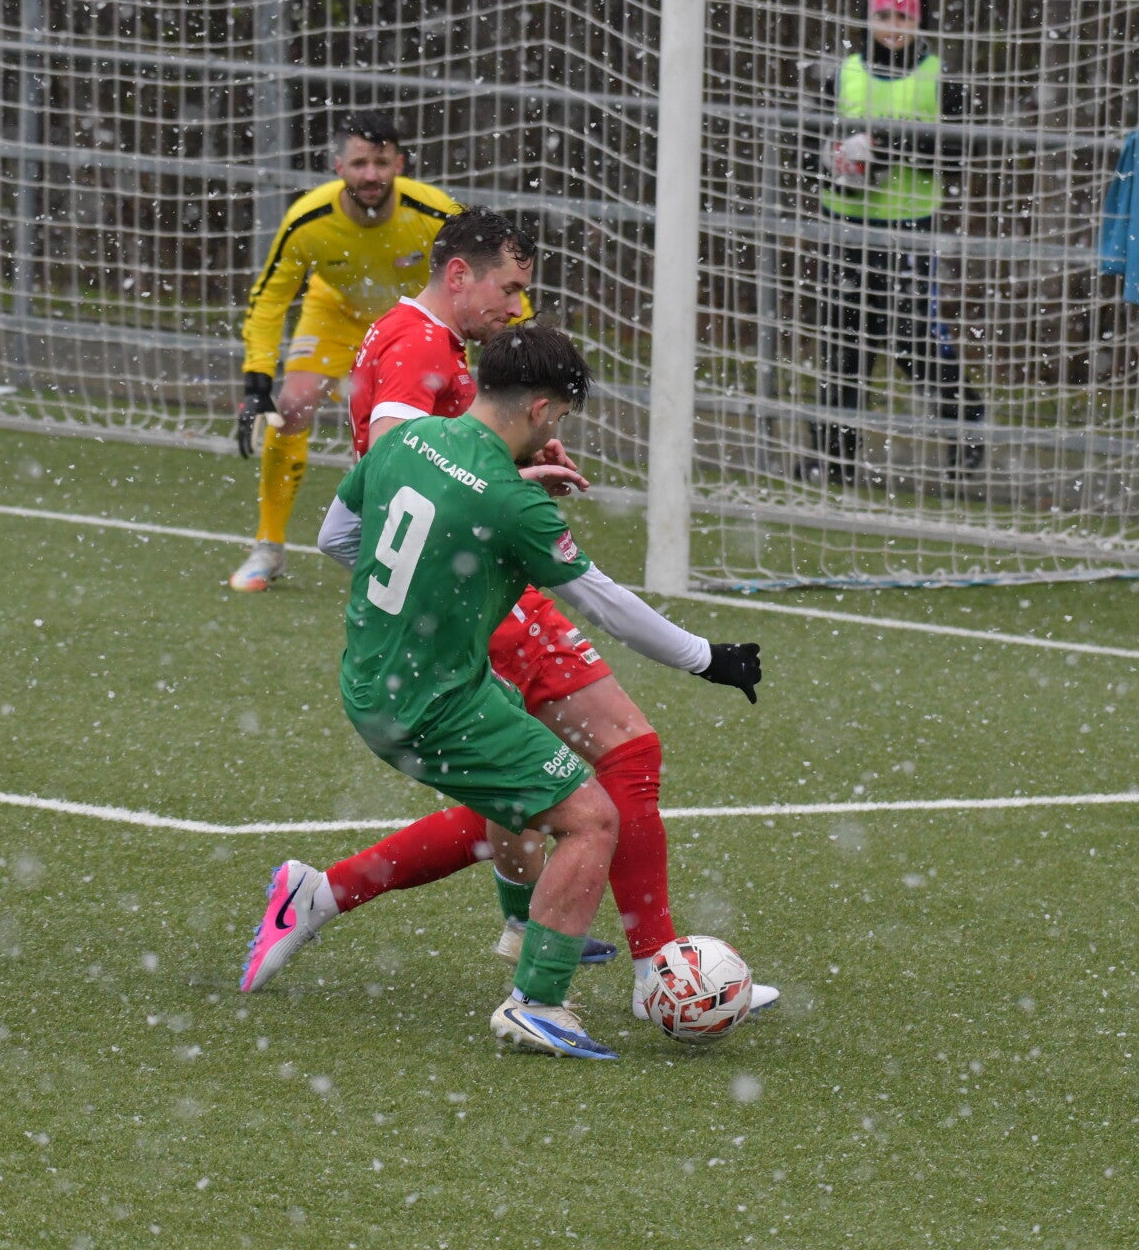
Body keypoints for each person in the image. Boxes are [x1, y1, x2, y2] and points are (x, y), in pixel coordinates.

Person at [239, 210, 775, 1026]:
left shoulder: (420, 349)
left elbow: (389, 495)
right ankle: (649, 972)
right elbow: (437, 496)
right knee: (616, 763)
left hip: (436, 607)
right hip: (478, 592)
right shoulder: (424, 351)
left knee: (521, 792)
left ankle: (422, 907)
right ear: (459, 274)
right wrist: (707, 656)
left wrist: (501, 482)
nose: (518, 308)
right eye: (512, 288)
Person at [227, 110, 463, 592]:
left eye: (381, 162)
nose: (371, 175)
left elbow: (483, 270)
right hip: (335, 314)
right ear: (338, 167)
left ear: (399, 164)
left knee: (434, 434)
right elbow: (270, 298)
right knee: (291, 406)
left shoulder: (436, 213)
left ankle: (441, 550)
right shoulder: (308, 219)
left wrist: (518, 335)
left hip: (412, 324)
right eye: (359, 163)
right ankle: (269, 547)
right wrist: (256, 380)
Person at [805, 0, 985, 486]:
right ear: (869, 19)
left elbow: (961, 154)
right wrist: (839, 160)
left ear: (918, 23)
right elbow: (807, 148)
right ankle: (835, 456)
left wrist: (893, 147)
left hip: (909, 228)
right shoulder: (843, 74)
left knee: (911, 336)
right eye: (884, 16)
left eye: (903, 17)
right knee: (844, 337)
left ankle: (965, 422)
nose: (892, 27)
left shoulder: (938, 78)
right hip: (846, 223)